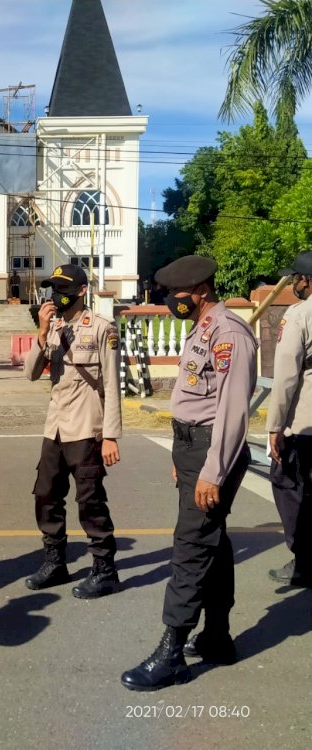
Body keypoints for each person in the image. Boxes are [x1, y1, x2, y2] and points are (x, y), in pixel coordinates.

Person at [121, 255, 257, 692]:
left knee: (192, 544)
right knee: (212, 539)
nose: (169, 299)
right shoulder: (202, 328)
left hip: (210, 450)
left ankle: (171, 652)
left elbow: (233, 413)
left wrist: (212, 472)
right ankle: (217, 636)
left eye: (175, 293)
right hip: (191, 447)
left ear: (199, 290)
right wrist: (183, 457)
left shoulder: (229, 334)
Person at [23, 265, 122, 600]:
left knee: (90, 500)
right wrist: (41, 333)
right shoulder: (54, 328)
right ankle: (55, 562)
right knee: (46, 495)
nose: (56, 295)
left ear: (81, 290)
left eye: (63, 288)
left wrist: (110, 435)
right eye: (53, 288)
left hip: (86, 426)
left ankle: (105, 569)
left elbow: (111, 383)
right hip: (56, 427)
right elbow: (31, 374)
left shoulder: (102, 329)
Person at [266, 250, 312, 587]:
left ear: (305, 280)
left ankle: (304, 561)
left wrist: (274, 427)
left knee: (288, 484)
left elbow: (285, 377)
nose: (294, 282)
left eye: (295, 277)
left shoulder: (298, 315)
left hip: (305, 421)